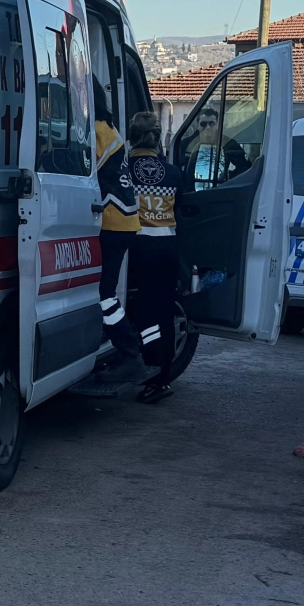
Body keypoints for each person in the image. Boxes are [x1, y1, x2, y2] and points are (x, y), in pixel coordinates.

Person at [126, 111, 179, 404]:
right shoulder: (172, 173)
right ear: (157, 138)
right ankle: (162, 377)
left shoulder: (123, 170)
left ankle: (141, 367)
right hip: (167, 251)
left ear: (131, 137)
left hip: (135, 251)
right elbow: (185, 212)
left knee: (141, 314)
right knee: (164, 314)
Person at [94, 87, 141, 357]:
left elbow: (81, 165)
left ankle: (128, 346)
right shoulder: (108, 128)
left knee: (104, 293)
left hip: (113, 220)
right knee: (105, 289)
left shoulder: (96, 131)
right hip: (123, 220)